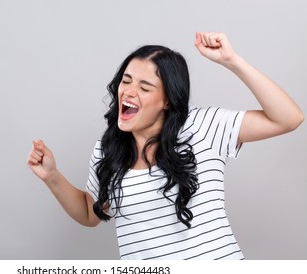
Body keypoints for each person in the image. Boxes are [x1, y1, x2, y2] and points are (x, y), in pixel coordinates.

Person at [26, 32, 303, 260]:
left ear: (168, 100)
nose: (129, 92)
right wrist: (52, 176)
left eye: (145, 88)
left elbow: (289, 118)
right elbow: (91, 212)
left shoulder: (202, 126)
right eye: (126, 80)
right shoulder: (108, 149)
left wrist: (233, 62)